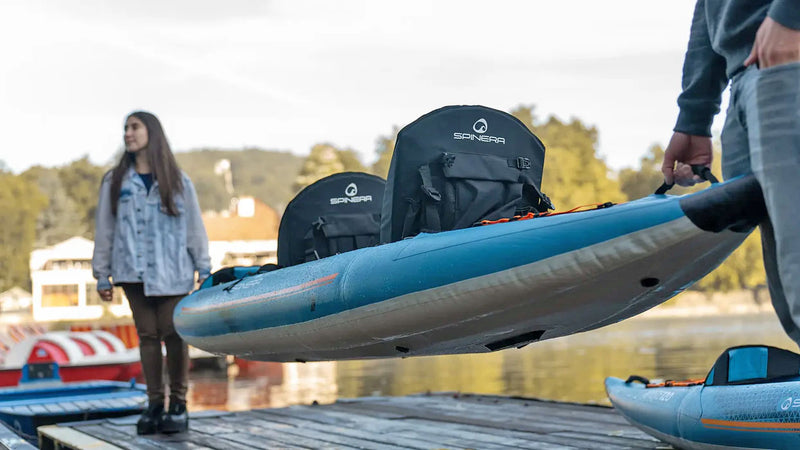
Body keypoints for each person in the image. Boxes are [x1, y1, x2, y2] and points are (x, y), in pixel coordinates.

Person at [661, 2, 800, 343]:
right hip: (748, 76)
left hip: (787, 52)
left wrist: (790, 16)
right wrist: (694, 115)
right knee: (789, 294)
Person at [92, 111, 211, 435]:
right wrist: (101, 273)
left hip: (173, 270)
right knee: (146, 335)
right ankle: (155, 403)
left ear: (151, 133)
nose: (128, 134)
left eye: (134, 127)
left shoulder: (177, 180)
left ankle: (179, 404)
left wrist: (203, 267)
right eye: (125, 129)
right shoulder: (114, 181)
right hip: (132, 270)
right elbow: (105, 228)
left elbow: (194, 227)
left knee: (174, 334)